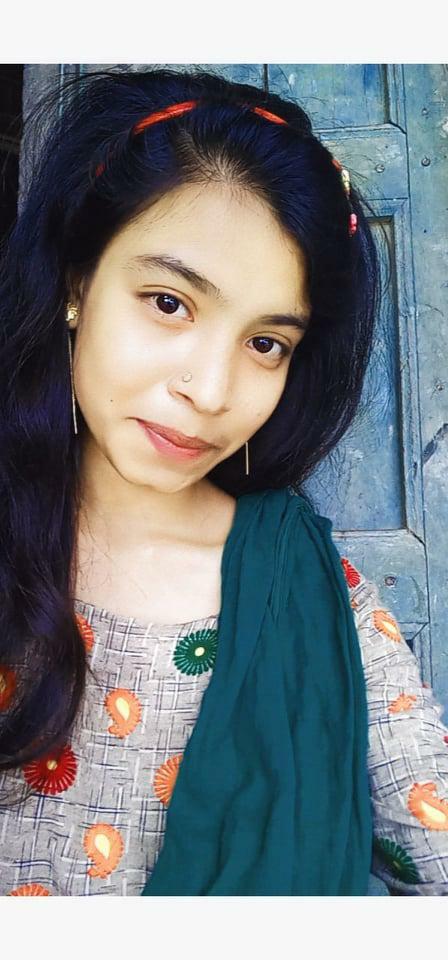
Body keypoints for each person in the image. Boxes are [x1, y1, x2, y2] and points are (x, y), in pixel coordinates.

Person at [0, 66, 447, 897]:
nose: (210, 392)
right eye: (169, 302)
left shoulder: (307, 593)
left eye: (266, 344)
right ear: (75, 283)